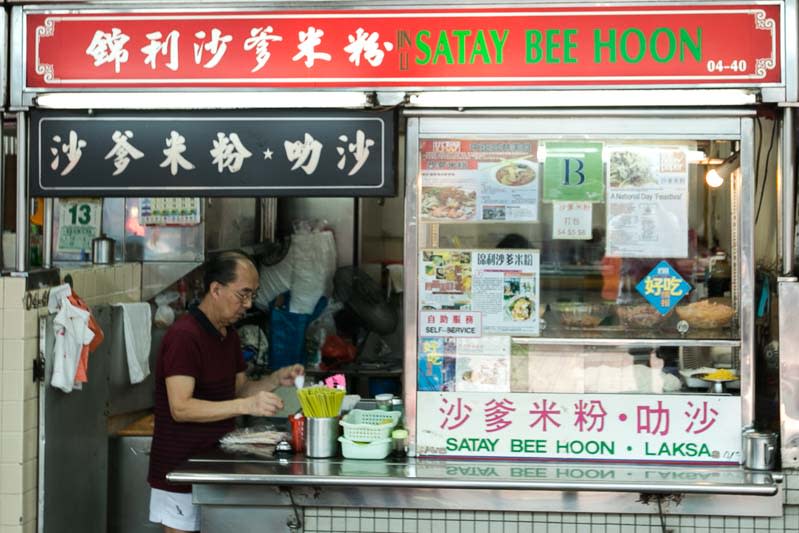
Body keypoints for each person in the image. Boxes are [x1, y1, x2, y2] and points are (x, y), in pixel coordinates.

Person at [147, 251, 304, 533]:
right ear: (216, 289)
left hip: (212, 465)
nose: (248, 304)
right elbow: (180, 408)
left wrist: (276, 379)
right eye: (242, 294)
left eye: (253, 295)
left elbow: (239, 389)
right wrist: (247, 407)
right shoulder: (185, 336)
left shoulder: (227, 334)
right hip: (180, 471)